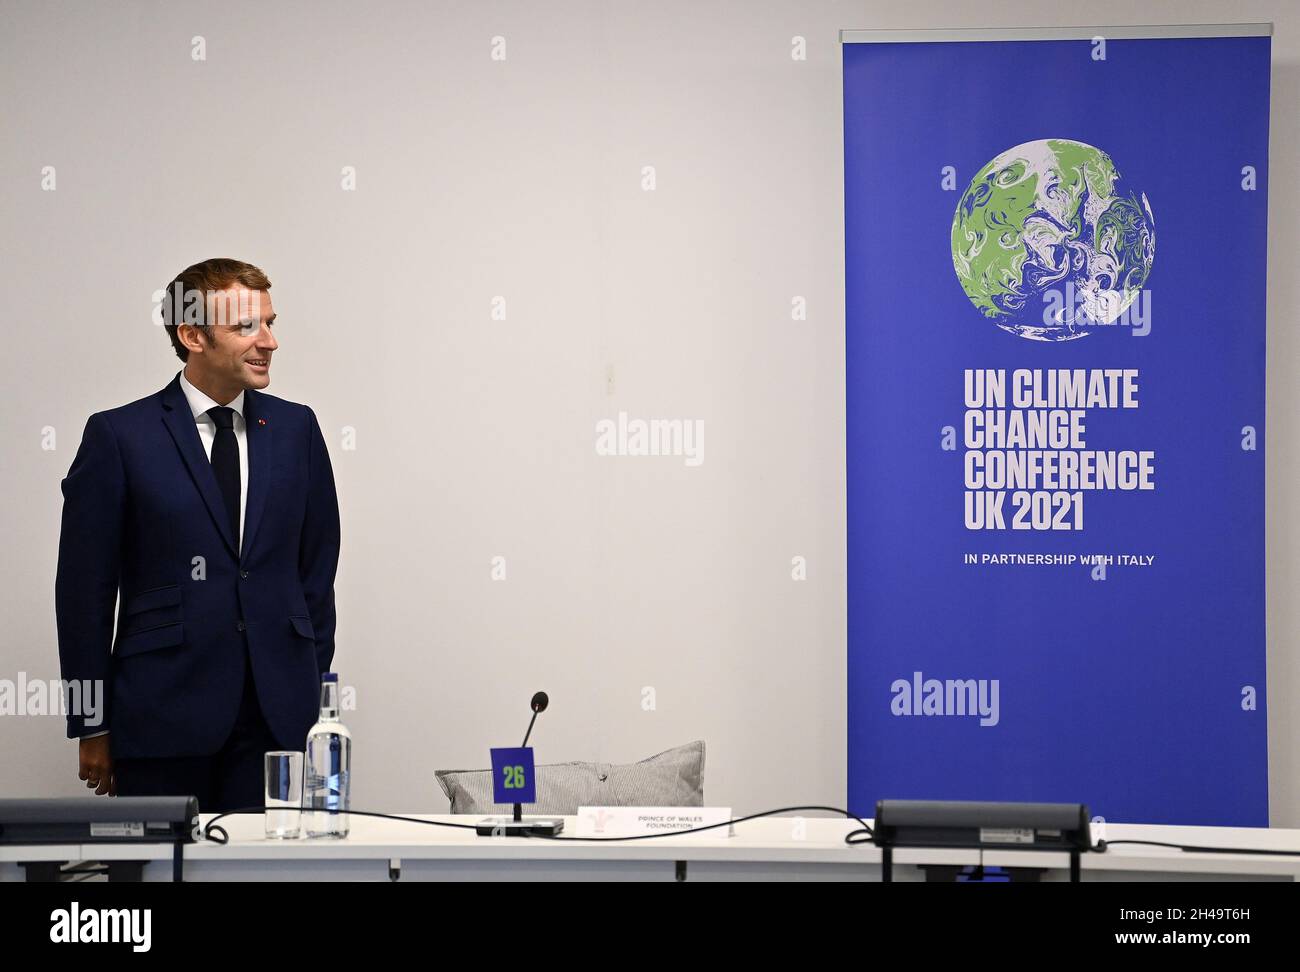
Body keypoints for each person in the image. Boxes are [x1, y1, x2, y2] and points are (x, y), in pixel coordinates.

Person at [55, 257, 341, 812]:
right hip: (161, 717)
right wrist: (91, 724)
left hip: (277, 723)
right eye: (247, 327)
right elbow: (83, 595)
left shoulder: (297, 429)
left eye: (271, 322)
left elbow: (316, 575)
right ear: (192, 335)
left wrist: (310, 697)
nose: (270, 342)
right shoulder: (119, 435)